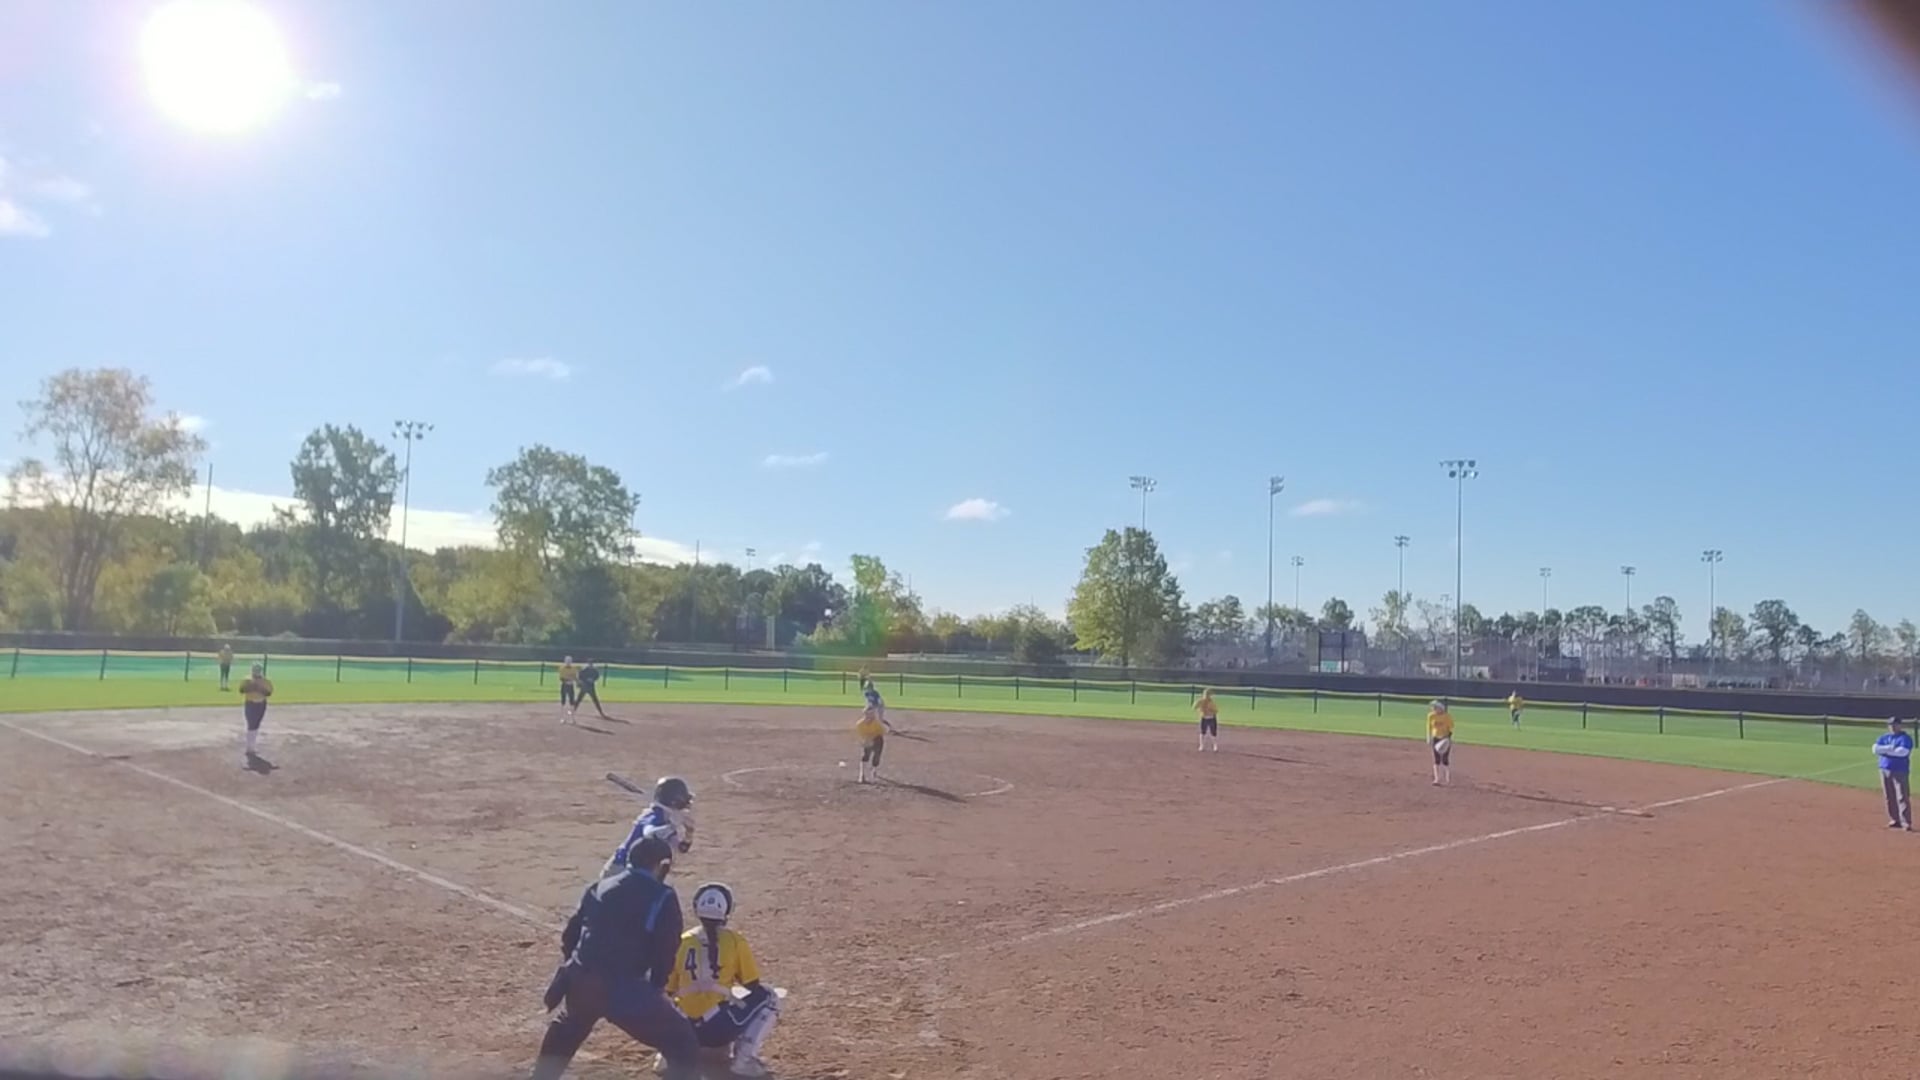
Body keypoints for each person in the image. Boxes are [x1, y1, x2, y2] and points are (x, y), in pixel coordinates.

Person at [531, 836, 700, 1080]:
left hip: (583, 982)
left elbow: (570, 936)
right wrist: (655, 989)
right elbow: (665, 949)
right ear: (661, 865)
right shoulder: (663, 896)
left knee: (567, 1029)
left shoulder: (598, 886)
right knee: (683, 1042)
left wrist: (578, 970)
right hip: (624, 988)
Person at [663, 882, 782, 1078]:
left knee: (665, 998)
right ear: (726, 911)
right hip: (718, 1029)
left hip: (685, 1029)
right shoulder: (734, 940)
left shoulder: (682, 940)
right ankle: (744, 1060)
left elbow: (669, 989)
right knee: (769, 996)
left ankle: (668, 1054)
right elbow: (752, 985)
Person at [605, 777, 697, 875]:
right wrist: (674, 826)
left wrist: (689, 833)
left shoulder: (667, 819)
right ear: (675, 802)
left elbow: (681, 849)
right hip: (619, 870)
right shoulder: (655, 816)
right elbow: (649, 833)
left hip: (638, 871)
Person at [1874, 717, 1913, 830]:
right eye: (1890, 725)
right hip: (1884, 769)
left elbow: (1902, 752)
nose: (1893, 727)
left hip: (1900, 770)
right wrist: (1891, 748)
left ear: (1900, 725)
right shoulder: (1884, 737)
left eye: (1895, 725)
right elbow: (1875, 749)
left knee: (1902, 796)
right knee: (1889, 796)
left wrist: (1884, 751)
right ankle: (1894, 819)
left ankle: (1906, 822)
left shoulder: (1905, 738)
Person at [239, 662, 273, 763]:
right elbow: (241, 690)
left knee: (256, 724)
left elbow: (269, 693)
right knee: (251, 724)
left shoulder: (265, 681)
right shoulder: (247, 680)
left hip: (261, 704)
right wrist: (250, 686)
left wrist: (260, 688)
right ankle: (250, 747)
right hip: (250, 703)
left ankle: (251, 746)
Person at [858, 669, 898, 733]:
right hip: (874, 705)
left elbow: (879, 702)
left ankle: (890, 728)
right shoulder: (866, 693)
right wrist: (868, 708)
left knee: (880, 719)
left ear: (872, 687)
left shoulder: (875, 693)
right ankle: (869, 727)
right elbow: (868, 701)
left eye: (869, 687)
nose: (868, 689)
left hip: (880, 706)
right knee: (866, 713)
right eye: (867, 688)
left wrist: (872, 708)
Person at [855, 705, 886, 784]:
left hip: (877, 739)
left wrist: (872, 739)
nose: (870, 716)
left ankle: (873, 772)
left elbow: (882, 732)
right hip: (867, 739)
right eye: (868, 714)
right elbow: (861, 736)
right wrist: (866, 741)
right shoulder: (860, 724)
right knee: (865, 756)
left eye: (872, 714)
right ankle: (862, 775)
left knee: (876, 756)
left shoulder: (876, 723)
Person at [1426, 699, 1454, 786]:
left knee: (1445, 759)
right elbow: (1429, 727)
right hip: (1435, 738)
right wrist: (1429, 737)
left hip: (1445, 738)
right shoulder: (1431, 716)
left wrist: (1447, 739)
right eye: (1433, 707)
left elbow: (1451, 728)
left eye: (1435, 707)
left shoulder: (1447, 716)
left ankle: (1447, 779)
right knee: (1436, 759)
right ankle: (1436, 779)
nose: (1434, 709)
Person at [1194, 688, 1221, 752]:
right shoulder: (1200, 701)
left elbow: (1216, 711)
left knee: (1213, 732)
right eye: (1206, 694)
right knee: (1202, 732)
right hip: (1204, 718)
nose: (1207, 696)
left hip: (1211, 718)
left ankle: (1215, 746)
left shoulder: (1211, 702)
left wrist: (1210, 710)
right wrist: (1200, 709)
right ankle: (1201, 746)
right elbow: (1194, 707)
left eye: (1208, 694)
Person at [557, 656, 581, 724]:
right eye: (567, 661)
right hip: (564, 686)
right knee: (563, 702)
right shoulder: (562, 668)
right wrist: (568, 680)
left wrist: (577, 682)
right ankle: (562, 718)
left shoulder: (573, 669)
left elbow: (575, 677)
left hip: (571, 686)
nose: (568, 662)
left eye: (569, 661)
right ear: (565, 661)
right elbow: (561, 678)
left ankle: (572, 719)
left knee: (572, 702)